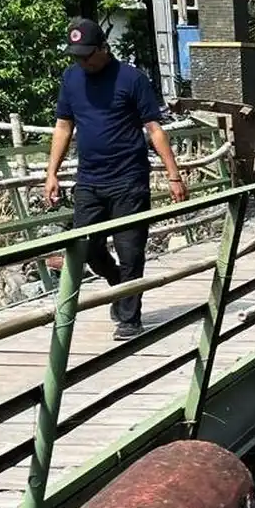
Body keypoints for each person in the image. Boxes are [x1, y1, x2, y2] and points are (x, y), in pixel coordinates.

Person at [43, 18, 189, 341]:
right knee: (85, 247)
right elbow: (63, 127)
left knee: (130, 252)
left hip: (129, 180)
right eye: (76, 56)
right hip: (89, 181)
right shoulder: (71, 79)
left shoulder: (131, 79)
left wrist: (174, 175)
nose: (82, 62)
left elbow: (154, 130)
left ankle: (129, 319)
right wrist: (51, 173)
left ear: (103, 48)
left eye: (87, 55)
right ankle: (118, 285)